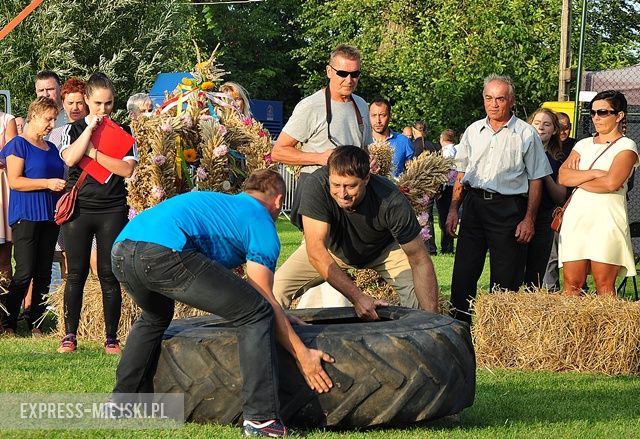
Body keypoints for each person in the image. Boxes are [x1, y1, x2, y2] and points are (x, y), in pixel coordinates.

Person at [110, 169, 333, 437]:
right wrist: (302, 353)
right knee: (256, 314)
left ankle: (121, 403)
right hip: (164, 252)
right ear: (278, 201)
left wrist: (282, 316)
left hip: (121, 250)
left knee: (154, 317)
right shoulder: (260, 219)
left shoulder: (225, 205)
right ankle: (261, 420)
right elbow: (262, 299)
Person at [273, 145, 439, 319]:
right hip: (331, 249)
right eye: (336, 185)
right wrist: (358, 297)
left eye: (350, 186)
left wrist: (433, 321)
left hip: (385, 251)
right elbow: (316, 251)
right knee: (275, 289)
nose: (342, 193)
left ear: (367, 178)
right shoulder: (316, 185)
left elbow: (419, 259)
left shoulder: (391, 200)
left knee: (420, 304)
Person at [445, 74, 551, 324]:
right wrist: (452, 210)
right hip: (473, 206)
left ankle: (498, 333)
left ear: (511, 101)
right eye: (488, 98)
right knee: (463, 273)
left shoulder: (526, 134)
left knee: (506, 277)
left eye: (500, 99)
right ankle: (459, 328)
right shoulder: (472, 130)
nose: (493, 104)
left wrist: (529, 220)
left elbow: (536, 179)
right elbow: (461, 173)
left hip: (508, 209)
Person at [57, 73, 138, 354]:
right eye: (98, 103)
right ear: (87, 100)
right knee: (76, 273)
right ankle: (69, 336)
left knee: (108, 274)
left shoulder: (124, 132)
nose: (103, 110)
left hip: (112, 209)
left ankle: (111, 338)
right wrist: (89, 131)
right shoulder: (73, 129)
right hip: (79, 209)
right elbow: (69, 158)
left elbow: (126, 169)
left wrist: (93, 154)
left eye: (109, 104)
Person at [270, 44, 373, 228]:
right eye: (342, 73)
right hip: (318, 190)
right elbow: (278, 152)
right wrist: (319, 158)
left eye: (355, 74)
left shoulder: (362, 105)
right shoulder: (310, 106)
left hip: (351, 194)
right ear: (329, 71)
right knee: (319, 251)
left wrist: (369, 162)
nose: (349, 80)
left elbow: (364, 148)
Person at [558, 90, 638, 296]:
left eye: (602, 112)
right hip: (577, 218)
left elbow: (611, 183)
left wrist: (580, 179)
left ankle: (610, 329)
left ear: (619, 115)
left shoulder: (627, 146)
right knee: (571, 284)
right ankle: (571, 328)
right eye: (592, 112)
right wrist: (593, 173)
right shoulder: (582, 144)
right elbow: (563, 177)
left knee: (604, 285)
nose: (596, 118)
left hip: (606, 219)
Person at [0, 97, 65, 335]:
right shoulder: (18, 144)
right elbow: (16, 181)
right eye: (48, 119)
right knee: (25, 271)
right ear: (34, 116)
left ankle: (35, 321)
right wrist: (47, 182)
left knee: (44, 270)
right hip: (26, 214)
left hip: (50, 215)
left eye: (54, 119)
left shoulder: (52, 148)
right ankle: (8, 320)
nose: (51, 124)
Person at [524, 109, 567, 287]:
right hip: (517, 214)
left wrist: (543, 173)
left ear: (554, 130)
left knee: (537, 272)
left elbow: (560, 196)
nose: (541, 127)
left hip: (543, 219)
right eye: (537, 123)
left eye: (547, 124)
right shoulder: (519, 151)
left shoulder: (559, 158)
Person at [412, 120, 439, 254]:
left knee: (421, 217)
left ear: (414, 130)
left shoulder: (414, 146)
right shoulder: (434, 146)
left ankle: (428, 247)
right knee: (427, 216)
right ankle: (430, 246)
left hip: (418, 186)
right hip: (432, 186)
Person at [369, 98, 413, 177]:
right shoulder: (362, 141)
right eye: (374, 115)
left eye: (382, 115)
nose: (378, 120)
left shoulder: (404, 141)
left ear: (390, 116)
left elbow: (412, 173)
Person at [0, 111, 18, 283]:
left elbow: (12, 156)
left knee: (4, 258)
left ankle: (4, 306)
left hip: (1, 187)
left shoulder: (7, 120)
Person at [435, 129, 457, 254]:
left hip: (446, 187)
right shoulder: (457, 149)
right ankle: (448, 245)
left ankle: (447, 247)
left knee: (444, 217)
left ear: (442, 139)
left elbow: (444, 170)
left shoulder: (446, 152)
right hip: (453, 187)